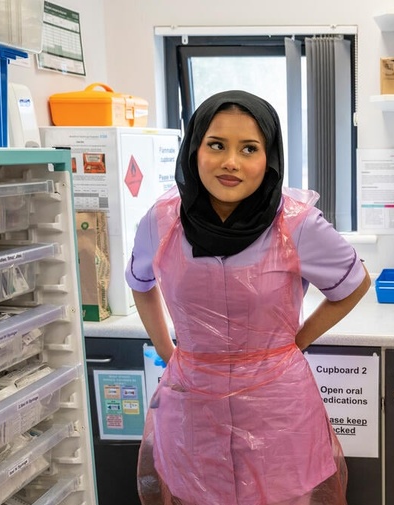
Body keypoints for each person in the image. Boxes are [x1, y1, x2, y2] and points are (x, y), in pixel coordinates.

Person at [126, 90, 371, 505]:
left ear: (269, 157)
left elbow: (354, 284)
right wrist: (168, 351)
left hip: (275, 405)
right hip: (193, 405)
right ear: (195, 148)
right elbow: (140, 282)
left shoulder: (296, 223)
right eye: (216, 145)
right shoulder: (162, 220)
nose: (231, 162)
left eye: (249, 149)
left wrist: (298, 341)